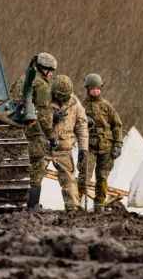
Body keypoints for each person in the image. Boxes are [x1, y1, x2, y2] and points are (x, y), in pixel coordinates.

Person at [9, 52, 57, 210]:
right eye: (51, 72)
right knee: (38, 160)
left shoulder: (22, 79)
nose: (51, 75)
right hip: (30, 130)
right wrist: (51, 136)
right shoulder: (41, 85)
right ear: (46, 70)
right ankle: (32, 204)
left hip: (13, 128)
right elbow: (43, 113)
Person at [80, 73, 123, 214]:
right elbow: (75, 124)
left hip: (106, 146)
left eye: (98, 88)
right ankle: (74, 204)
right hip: (89, 146)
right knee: (84, 175)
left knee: (102, 177)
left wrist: (118, 144)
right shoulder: (82, 106)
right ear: (87, 89)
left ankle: (99, 205)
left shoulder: (106, 106)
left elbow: (117, 125)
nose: (96, 91)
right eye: (93, 88)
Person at [49, 75, 88, 210]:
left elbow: (82, 125)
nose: (60, 98)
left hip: (64, 148)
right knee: (34, 177)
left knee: (69, 179)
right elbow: (33, 118)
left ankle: (72, 208)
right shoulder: (43, 99)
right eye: (58, 95)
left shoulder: (74, 102)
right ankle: (30, 205)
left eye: (63, 96)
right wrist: (51, 117)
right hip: (43, 146)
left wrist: (83, 148)